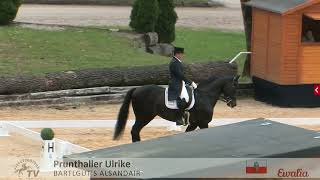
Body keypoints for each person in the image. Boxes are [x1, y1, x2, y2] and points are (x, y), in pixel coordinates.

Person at [168, 47, 197, 125]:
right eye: (181, 54)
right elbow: (180, 75)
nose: (182, 56)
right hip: (175, 84)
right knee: (184, 98)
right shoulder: (174, 63)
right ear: (177, 54)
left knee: (189, 95)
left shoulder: (177, 62)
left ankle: (185, 113)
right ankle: (178, 118)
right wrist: (191, 82)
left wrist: (187, 82)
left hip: (180, 83)